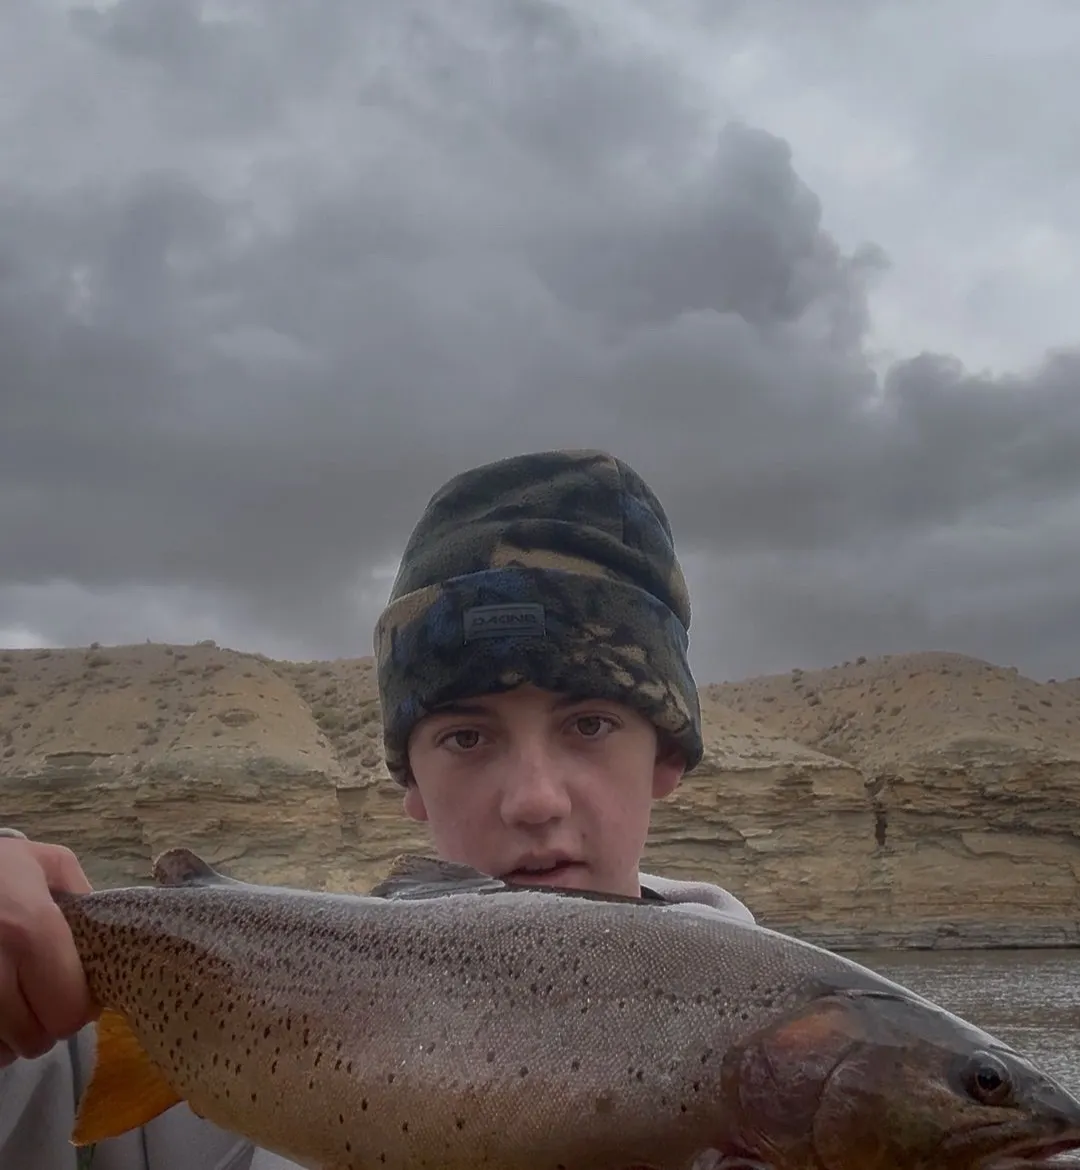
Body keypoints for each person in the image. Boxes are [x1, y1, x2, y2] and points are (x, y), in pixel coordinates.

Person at [0, 449, 756, 1170]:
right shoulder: (177, 1023)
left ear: (667, 757)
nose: (533, 799)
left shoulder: (787, 1054)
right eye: (466, 737)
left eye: (589, 725)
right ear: (412, 783)